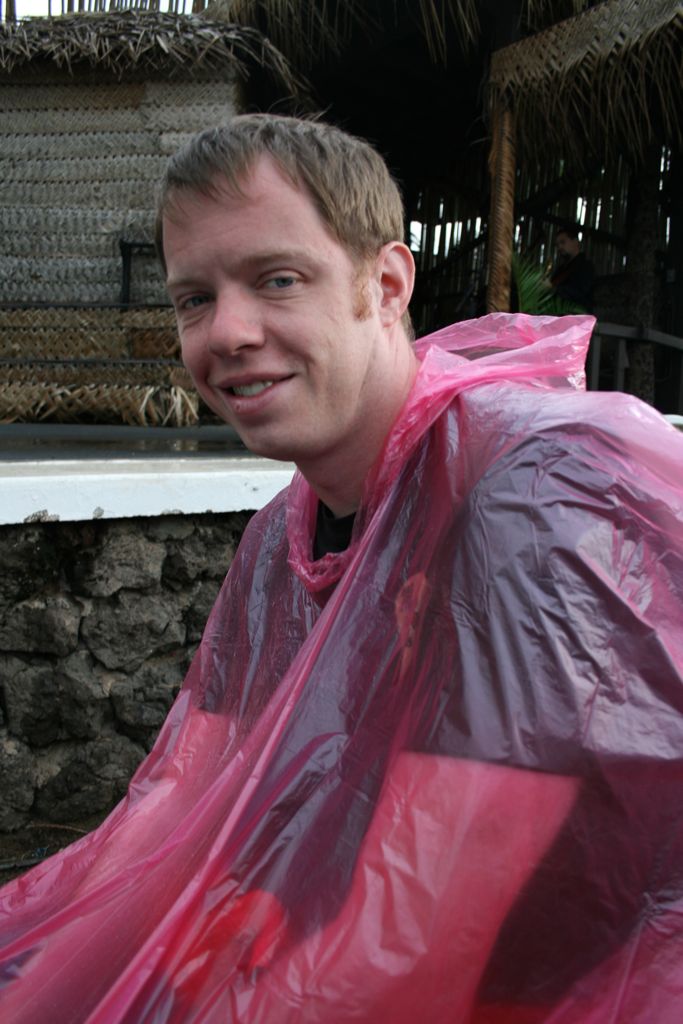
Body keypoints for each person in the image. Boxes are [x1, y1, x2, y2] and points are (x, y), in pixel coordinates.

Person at [1, 115, 683, 1024]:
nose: (227, 333)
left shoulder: (529, 489)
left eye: (277, 280)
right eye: (192, 299)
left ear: (387, 283)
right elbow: (180, 803)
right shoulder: (278, 544)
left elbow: (442, 906)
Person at [549, 222, 595, 310]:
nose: (559, 247)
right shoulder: (561, 269)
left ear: (575, 241)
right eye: (557, 245)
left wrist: (553, 289)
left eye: (563, 242)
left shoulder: (586, 266)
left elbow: (579, 292)